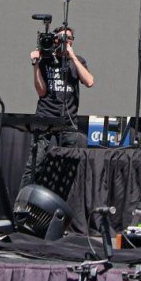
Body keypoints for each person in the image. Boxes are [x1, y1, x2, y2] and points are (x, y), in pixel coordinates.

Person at [21, 27, 94, 186]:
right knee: (35, 165)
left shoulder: (78, 61)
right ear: (54, 40)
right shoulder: (46, 59)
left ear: (72, 40)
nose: (64, 41)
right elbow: (41, 92)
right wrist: (36, 64)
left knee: (68, 165)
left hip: (68, 120)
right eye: (60, 38)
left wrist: (72, 56)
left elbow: (89, 82)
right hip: (45, 117)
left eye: (68, 38)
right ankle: (22, 205)